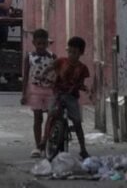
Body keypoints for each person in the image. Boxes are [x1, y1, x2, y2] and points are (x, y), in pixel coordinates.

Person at [43, 36, 92, 159]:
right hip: (58, 93)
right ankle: (44, 140)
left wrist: (83, 88)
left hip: (72, 96)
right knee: (51, 115)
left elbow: (80, 82)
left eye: (74, 52)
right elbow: (49, 68)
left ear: (81, 53)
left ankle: (83, 149)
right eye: (69, 51)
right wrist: (44, 75)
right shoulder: (61, 61)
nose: (71, 55)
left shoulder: (82, 68)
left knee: (77, 123)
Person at [23, 28, 56, 158]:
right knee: (38, 118)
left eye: (44, 44)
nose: (41, 47)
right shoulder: (30, 57)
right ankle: (38, 146)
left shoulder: (52, 57)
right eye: (39, 44)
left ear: (47, 43)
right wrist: (24, 94)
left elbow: (57, 74)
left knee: (51, 118)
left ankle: (46, 142)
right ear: (34, 43)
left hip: (49, 90)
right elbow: (25, 76)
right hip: (35, 90)